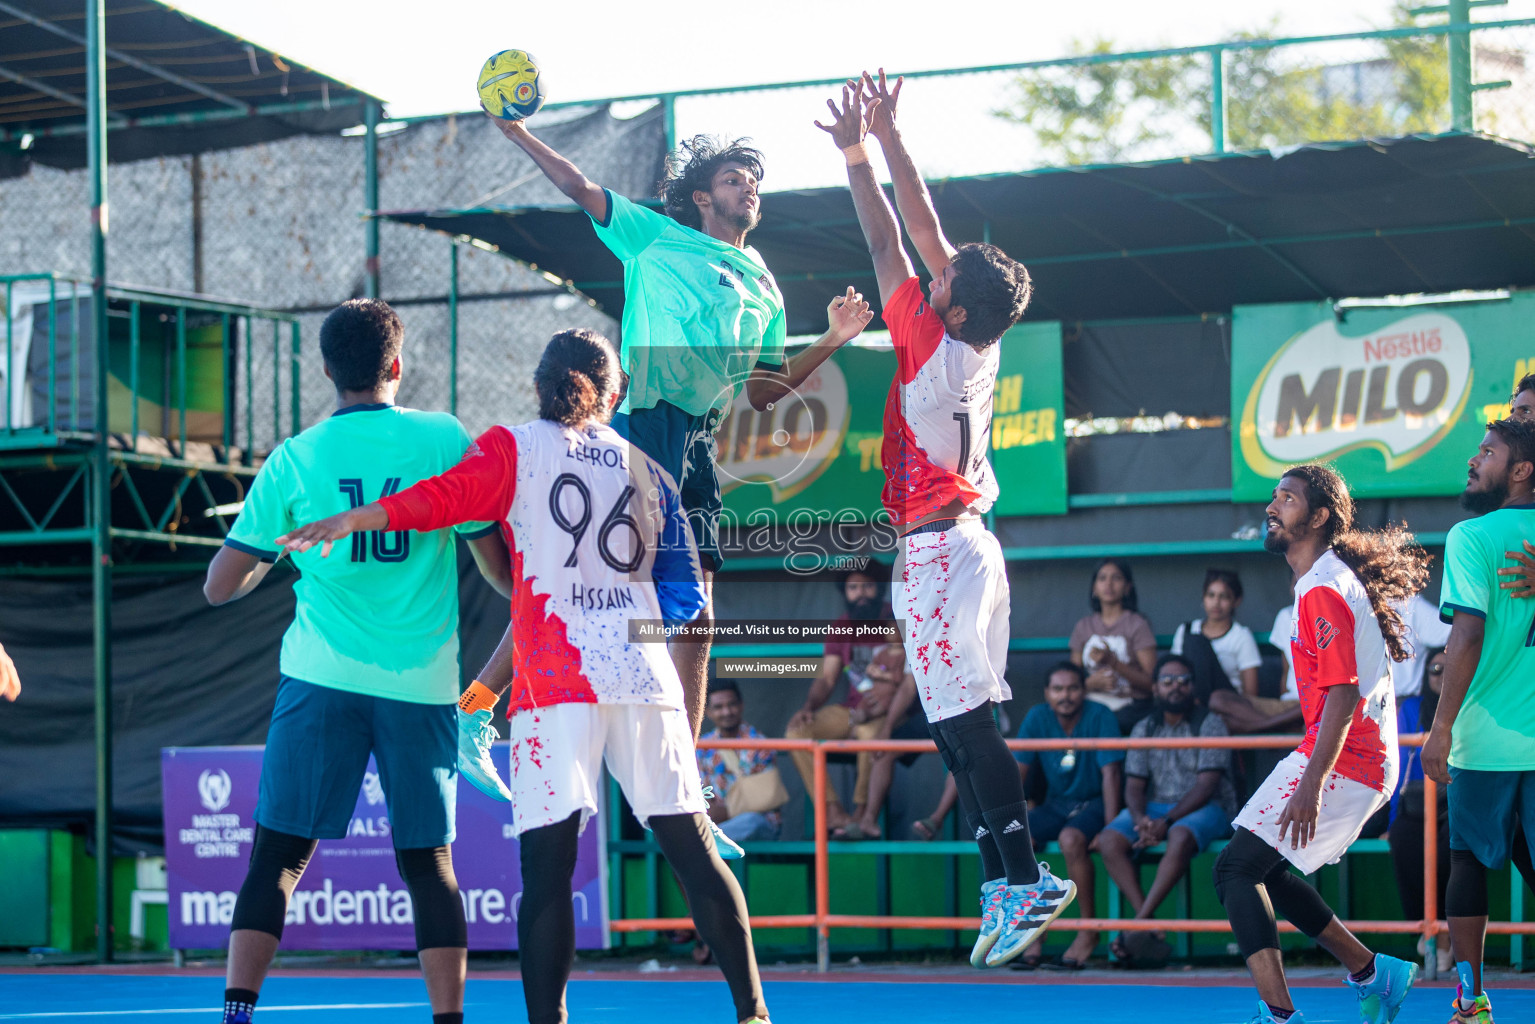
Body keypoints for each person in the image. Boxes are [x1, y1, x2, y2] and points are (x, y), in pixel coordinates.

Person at [275, 328, 771, 1024]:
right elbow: (686, 597)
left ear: (538, 385)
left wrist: (362, 515)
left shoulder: (512, 448)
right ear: (613, 392)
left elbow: (441, 500)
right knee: (691, 850)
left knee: (547, 873)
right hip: (642, 675)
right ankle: (753, 1012)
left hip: (556, 683)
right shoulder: (646, 467)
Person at [484, 108, 874, 863]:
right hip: (638, 426)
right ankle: (475, 708)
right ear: (701, 196)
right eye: (734, 179)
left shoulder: (762, 282)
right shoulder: (654, 237)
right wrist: (515, 134)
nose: (749, 189)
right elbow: (581, 185)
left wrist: (831, 338)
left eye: (755, 181)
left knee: (697, 620)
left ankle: (683, 797)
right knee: (570, 586)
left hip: (696, 449)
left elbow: (763, 392)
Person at [820, 69, 1073, 971]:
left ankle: (1024, 876)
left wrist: (855, 150)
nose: (932, 270)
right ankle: (1008, 877)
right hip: (967, 544)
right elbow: (925, 232)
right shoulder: (978, 334)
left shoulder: (930, 345)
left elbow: (890, 236)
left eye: (942, 277)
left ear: (951, 303)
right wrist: (890, 137)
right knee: (960, 724)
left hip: (937, 552)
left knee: (962, 726)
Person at [201, 299, 513, 1024]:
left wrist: (265, 552)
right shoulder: (442, 439)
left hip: (322, 681)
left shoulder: (296, 457)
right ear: (397, 365)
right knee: (427, 864)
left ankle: (238, 1012)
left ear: (324, 371)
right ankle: (448, 1020)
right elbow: (496, 571)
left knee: (277, 856)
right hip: (422, 685)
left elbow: (220, 588)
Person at [1215, 464, 1427, 1024]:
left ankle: (1281, 1016)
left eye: (1286, 499)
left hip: (1345, 761)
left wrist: (1311, 783)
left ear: (1319, 517)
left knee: (1236, 870)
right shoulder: (1318, 582)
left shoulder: (1324, 589)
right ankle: (1372, 971)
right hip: (1349, 758)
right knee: (1264, 868)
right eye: (1274, 496)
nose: (1272, 506)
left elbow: (1342, 693)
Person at [1423, 418, 1535, 1024]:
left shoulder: (1472, 535)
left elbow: (1466, 633)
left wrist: (1439, 728)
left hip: (1485, 739)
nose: (1474, 459)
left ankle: (1471, 1002)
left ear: (1521, 470)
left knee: (1467, 863)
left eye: (1487, 452)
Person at [1096, 654, 1235, 969]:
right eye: (1168, 681)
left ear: (1193, 687)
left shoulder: (1210, 723)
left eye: (1183, 681)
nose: (1176, 688)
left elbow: (1207, 786)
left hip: (1207, 807)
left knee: (1180, 833)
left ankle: (1139, 924)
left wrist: (1166, 821)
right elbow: (1133, 786)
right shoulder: (1144, 726)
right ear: (1156, 688)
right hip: (1156, 808)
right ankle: (1147, 921)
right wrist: (1140, 820)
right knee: (1109, 840)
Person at [1013, 662, 1124, 969]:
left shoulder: (1100, 715)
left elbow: (1111, 775)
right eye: (1058, 689)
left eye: (1073, 688)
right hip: (1058, 803)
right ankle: (1032, 931)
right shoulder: (1038, 716)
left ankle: (1088, 931)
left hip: (1095, 802)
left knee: (1071, 838)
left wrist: (1111, 827)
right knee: (1017, 838)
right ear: (1047, 693)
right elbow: (1017, 773)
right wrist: (1010, 818)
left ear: (1084, 691)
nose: (1066, 696)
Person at [786, 568, 903, 835]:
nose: (861, 593)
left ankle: (862, 815)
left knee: (869, 735)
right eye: (853, 588)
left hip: (887, 712)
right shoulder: (841, 626)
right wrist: (809, 707)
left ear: (880, 588)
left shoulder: (897, 619)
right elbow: (827, 678)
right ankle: (833, 813)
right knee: (796, 732)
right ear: (845, 593)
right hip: (851, 710)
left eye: (867, 586)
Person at [1386, 647, 1452, 977]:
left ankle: (1444, 938)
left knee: (1449, 853)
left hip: (1455, 803)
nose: (1440, 675)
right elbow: (1397, 769)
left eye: (1447, 668)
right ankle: (1425, 930)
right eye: (1435, 669)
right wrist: (1392, 818)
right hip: (1415, 803)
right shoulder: (1412, 708)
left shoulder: (1468, 706)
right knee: (1402, 841)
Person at [1070, 559, 1157, 734]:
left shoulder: (1137, 624)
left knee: (1105, 724)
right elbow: (1070, 677)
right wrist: (1088, 683)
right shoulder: (1084, 626)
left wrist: (1113, 662)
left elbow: (1152, 684)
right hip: (1090, 702)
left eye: (1116, 578)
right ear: (1094, 588)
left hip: (1131, 706)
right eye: (1102, 578)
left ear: (1127, 587)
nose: (1108, 584)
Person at [699, 681, 786, 844]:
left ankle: (701, 844)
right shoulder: (702, 747)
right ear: (708, 712)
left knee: (749, 820)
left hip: (759, 825)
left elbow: (764, 800)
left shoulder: (760, 744)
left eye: (732, 705)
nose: (726, 712)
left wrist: (725, 812)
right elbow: (701, 798)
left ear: (741, 705)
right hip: (716, 824)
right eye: (718, 707)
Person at [1171, 569, 1263, 697]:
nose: (1216, 602)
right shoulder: (1186, 630)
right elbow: (1173, 672)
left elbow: (1251, 693)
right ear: (1203, 598)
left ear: (1236, 601)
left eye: (1224, 597)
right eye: (1211, 595)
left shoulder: (1241, 636)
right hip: (1189, 702)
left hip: (1226, 705)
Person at [1387, 594, 1451, 701]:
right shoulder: (1354, 604)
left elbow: (1457, 635)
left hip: (1407, 701)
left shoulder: (1407, 605)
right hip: (1362, 701)